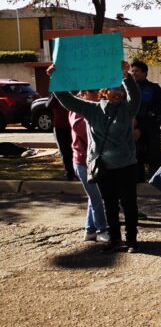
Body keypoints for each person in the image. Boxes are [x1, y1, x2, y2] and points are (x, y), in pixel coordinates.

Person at [52, 61, 141, 253]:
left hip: (126, 165)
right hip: (103, 167)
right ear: (103, 92)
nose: (118, 92)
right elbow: (68, 101)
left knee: (129, 204)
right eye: (113, 89)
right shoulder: (91, 110)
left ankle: (132, 240)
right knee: (109, 204)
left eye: (120, 89)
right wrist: (56, 79)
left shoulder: (128, 108)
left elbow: (136, 96)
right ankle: (115, 239)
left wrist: (126, 76)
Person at [69, 89, 109, 242]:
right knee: (97, 197)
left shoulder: (96, 107)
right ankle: (101, 230)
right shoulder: (78, 110)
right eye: (94, 92)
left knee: (93, 197)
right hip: (82, 161)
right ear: (84, 94)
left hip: (93, 161)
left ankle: (90, 230)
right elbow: (82, 130)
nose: (98, 95)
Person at [131, 60, 161, 180]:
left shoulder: (153, 88)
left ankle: (158, 181)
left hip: (151, 129)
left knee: (154, 156)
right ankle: (138, 181)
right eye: (133, 71)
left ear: (145, 73)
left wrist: (154, 116)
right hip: (134, 129)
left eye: (137, 71)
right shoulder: (128, 89)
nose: (134, 73)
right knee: (136, 157)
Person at [49, 94, 76, 180]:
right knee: (65, 151)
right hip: (60, 126)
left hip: (71, 125)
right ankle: (70, 173)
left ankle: (74, 172)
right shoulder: (57, 94)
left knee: (72, 150)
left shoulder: (74, 92)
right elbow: (48, 105)